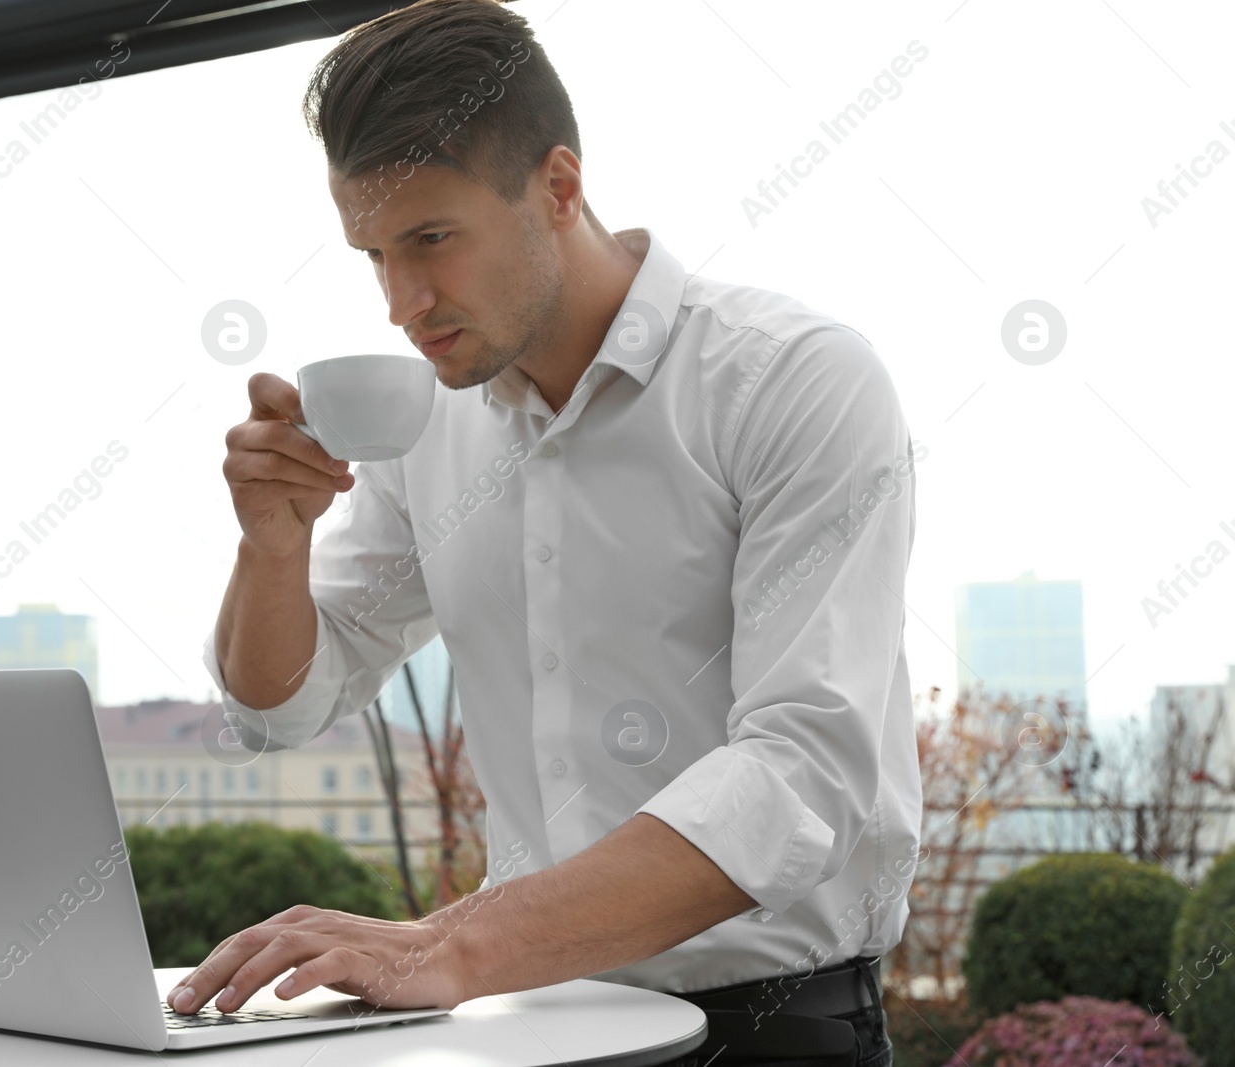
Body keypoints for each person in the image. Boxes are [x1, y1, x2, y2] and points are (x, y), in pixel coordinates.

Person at [171, 1, 922, 1063]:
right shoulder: (429, 422)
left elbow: (805, 773)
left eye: (431, 239)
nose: (401, 301)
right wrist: (272, 543)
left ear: (559, 187)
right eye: (373, 254)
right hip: (534, 1021)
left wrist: (452, 941)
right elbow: (282, 705)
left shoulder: (792, 381)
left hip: (769, 1026)